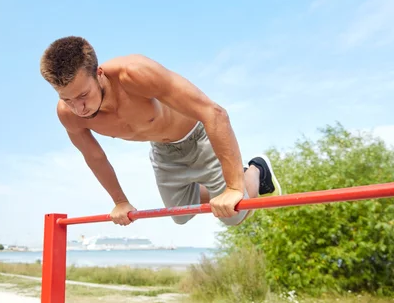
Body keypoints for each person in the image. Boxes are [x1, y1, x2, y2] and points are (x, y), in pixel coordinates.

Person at [39, 36, 282, 226]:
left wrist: (233, 187)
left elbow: (214, 113)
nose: (78, 107)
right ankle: (226, 181)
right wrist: (120, 202)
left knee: (234, 214)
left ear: (99, 73)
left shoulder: (134, 73)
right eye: (67, 99)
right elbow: (95, 157)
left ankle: (255, 170)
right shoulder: (67, 113)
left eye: (83, 95)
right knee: (180, 215)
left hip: (198, 137)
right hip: (163, 150)